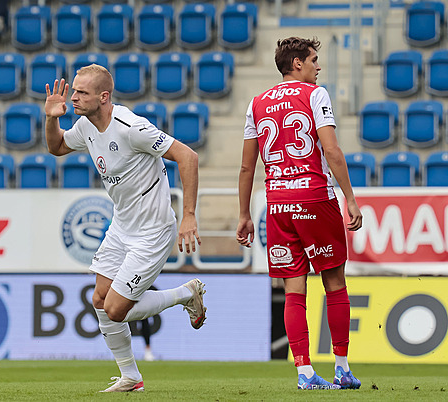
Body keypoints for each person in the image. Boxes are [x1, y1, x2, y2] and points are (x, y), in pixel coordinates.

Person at [45, 65, 206, 393]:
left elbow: (187, 157)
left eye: (82, 93)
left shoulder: (132, 127)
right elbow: (57, 147)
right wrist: (51, 118)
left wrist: (188, 215)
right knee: (99, 299)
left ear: (104, 97)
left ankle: (186, 294)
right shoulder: (86, 125)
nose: (74, 97)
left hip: (153, 230)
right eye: (74, 91)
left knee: (116, 309)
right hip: (122, 226)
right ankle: (130, 377)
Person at [236, 37, 363, 390]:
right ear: (297, 64)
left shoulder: (256, 103)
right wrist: (349, 198)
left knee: (294, 289)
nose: (318, 67)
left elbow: (247, 168)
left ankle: (304, 373)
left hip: (277, 205)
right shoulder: (314, 94)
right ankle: (342, 368)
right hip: (314, 199)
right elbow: (332, 150)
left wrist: (244, 214)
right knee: (335, 284)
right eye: (314, 60)